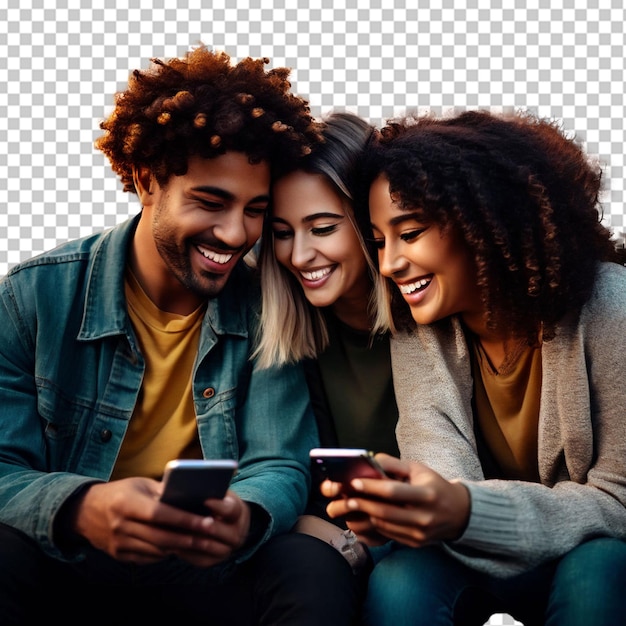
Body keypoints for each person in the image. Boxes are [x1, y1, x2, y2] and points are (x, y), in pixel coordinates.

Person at [0, 46, 362, 625]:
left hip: (209, 572)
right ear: (147, 181)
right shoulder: (33, 298)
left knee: (308, 564)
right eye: (211, 202)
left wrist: (241, 516)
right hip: (66, 563)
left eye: (254, 211)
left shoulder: (267, 307)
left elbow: (279, 463)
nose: (234, 232)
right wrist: (80, 507)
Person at [322, 109, 626, 626]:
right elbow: (442, 477)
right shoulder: (419, 330)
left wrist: (464, 511)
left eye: (410, 232)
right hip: (478, 548)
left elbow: (619, 502)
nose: (390, 263)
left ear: (486, 224)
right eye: (378, 241)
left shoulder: (610, 310)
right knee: (400, 580)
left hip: (589, 553)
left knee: (601, 567)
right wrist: (409, 508)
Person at [254, 111, 399, 577]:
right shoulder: (287, 336)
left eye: (322, 228)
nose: (298, 256)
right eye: (282, 233)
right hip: (328, 544)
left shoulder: (431, 322)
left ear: (367, 222)